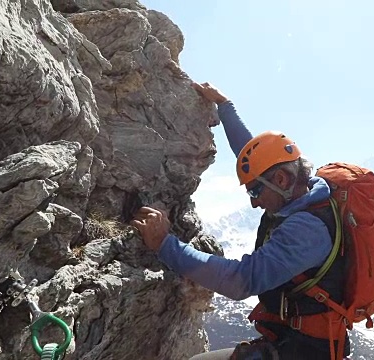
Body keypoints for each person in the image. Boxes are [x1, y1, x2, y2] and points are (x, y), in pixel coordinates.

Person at [130, 82, 350, 360]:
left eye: (254, 191)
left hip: (305, 351)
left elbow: (241, 280)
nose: (253, 201)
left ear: (281, 180)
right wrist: (225, 107)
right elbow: (254, 159)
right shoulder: (299, 194)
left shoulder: (307, 230)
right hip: (288, 340)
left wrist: (164, 244)